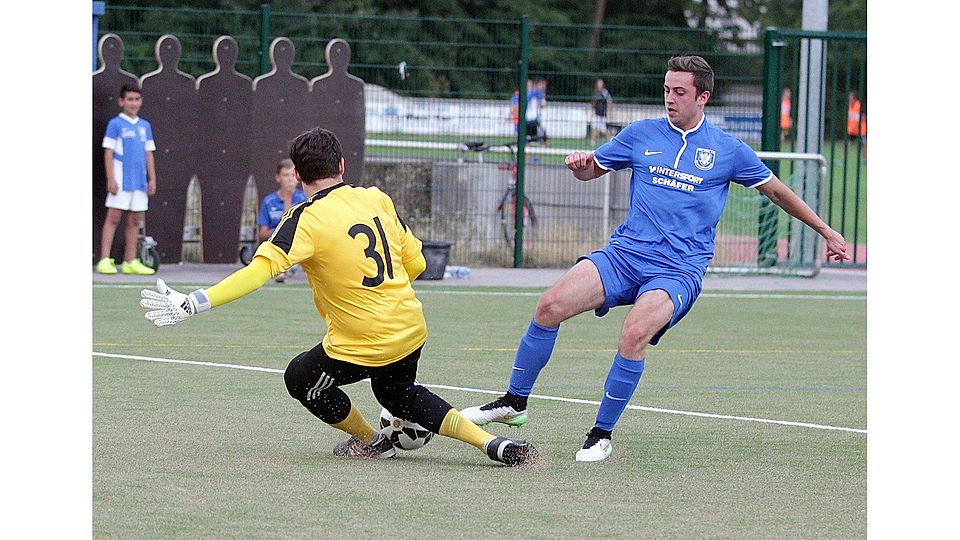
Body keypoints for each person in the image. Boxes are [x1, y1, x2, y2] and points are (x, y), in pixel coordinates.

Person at [462, 56, 850, 463]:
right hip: (625, 255)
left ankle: (600, 434)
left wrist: (826, 231)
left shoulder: (728, 150)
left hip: (678, 270)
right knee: (549, 305)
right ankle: (513, 402)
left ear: (703, 96)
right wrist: (580, 167)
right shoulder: (640, 134)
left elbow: (776, 192)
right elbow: (592, 170)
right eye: (666, 90)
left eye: (679, 92)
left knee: (634, 333)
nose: (670, 98)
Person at [139, 127, 536, 467]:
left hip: (361, 341)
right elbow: (415, 265)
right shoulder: (376, 198)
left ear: (296, 175)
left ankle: (371, 442)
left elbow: (257, 274)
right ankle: (490, 444)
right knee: (398, 394)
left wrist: (193, 301)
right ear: (342, 165)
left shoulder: (303, 220)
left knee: (300, 378)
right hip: (410, 328)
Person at [96, 83, 158, 275]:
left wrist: (152, 179)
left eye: (136, 99)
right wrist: (110, 178)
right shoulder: (115, 124)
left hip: (139, 181)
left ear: (141, 101)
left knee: (134, 220)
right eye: (129, 99)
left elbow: (149, 154)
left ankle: (130, 261)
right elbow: (108, 151)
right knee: (113, 217)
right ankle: (104, 260)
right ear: (121, 101)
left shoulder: (144, 126)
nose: (133, 103)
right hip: (121, 178)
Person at [257, 158, 307, 282]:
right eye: (285, 175)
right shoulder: (269, 201)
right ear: (278, 178)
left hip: (300, 243)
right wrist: (278, 232)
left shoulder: (304, 199)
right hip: (277, 243)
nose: (290, 179)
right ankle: (280, 268)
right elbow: (262, 233)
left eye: (293, 175)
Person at [589, 78, 613, 146]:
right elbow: (593, 102)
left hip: (602, 115)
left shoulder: (605, 93)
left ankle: (611, 139)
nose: (599, 85)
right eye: (598, 84)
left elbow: (609, 101)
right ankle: (592, 142)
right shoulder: (595, 92)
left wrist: (609, 110)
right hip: (596, 114)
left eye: (601, 84)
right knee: (593, 127)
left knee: (603, 130)